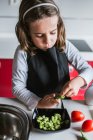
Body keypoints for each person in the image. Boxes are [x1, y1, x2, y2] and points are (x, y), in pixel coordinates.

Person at [12, 0, 93, 110]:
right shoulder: (22, 52)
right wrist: (39, 102)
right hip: (37, 107)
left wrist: (79, 81)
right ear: (27, 31)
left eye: (53, 32)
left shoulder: (64, 45)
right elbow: (18, 87)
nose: (48, 41)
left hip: (64, 106)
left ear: (58, 26)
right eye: (39, 35)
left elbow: (88, 69)